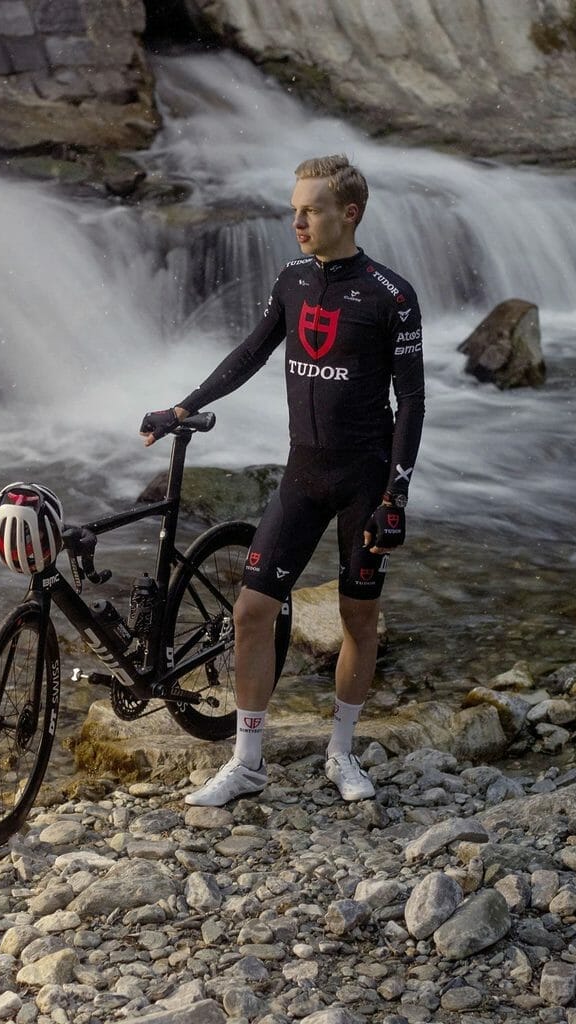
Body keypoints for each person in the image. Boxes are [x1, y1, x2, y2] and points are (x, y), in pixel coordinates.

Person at [140, 154, 425, 807]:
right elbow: (249, 353)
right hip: (304, 472)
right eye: (294, 209)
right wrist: (182, 408)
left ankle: (341, 752)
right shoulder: (293, 281)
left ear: (348, 213)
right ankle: (247, 763)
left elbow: (410, 400)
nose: (296, 221)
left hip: (364, 477)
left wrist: (396, 495)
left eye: (310, 210)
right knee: (251, 612)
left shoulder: (391, 295)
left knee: (358, 619)